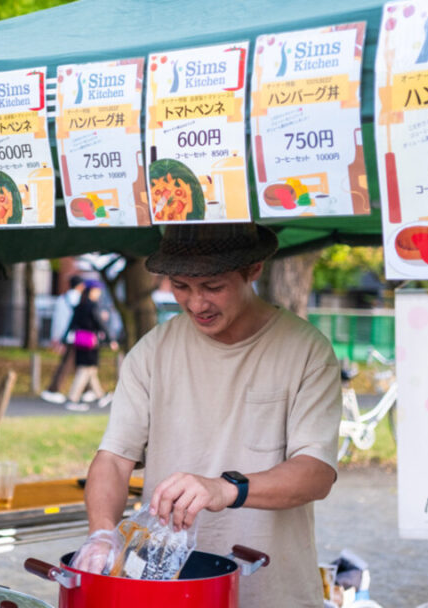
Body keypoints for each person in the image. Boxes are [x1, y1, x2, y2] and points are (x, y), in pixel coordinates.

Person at [81, 223, 341, 608]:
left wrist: (224, 488)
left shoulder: (306, 350)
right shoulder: (153, 351)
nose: (196, 303)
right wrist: (102, 533)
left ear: (253, 268)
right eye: (181, 286)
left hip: (272, 590)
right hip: (169, 589)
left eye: (213, 287)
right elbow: (114, 459)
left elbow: (316, 473)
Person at [62, 280, 117, 412]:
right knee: (85, 370)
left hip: (79, 341)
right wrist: (110, 340)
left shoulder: (80, 305)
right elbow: (100, 324)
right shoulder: (92, 306)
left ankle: (101, 396)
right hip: (90, 341)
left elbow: (72, 323)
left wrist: (64, 338)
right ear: (92, 291)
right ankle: (72, 399)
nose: (99, 293)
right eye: (98, 291)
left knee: (91, 370)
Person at [40, 274, 84, 404]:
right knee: (72, 363)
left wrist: (56, 337)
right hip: (78, 336)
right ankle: (54, 389)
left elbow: (57, 320)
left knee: (78, 363)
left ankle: (87, 390)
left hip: (66, 335)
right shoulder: (81, 299)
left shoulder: (61, 299)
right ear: (80, 286)